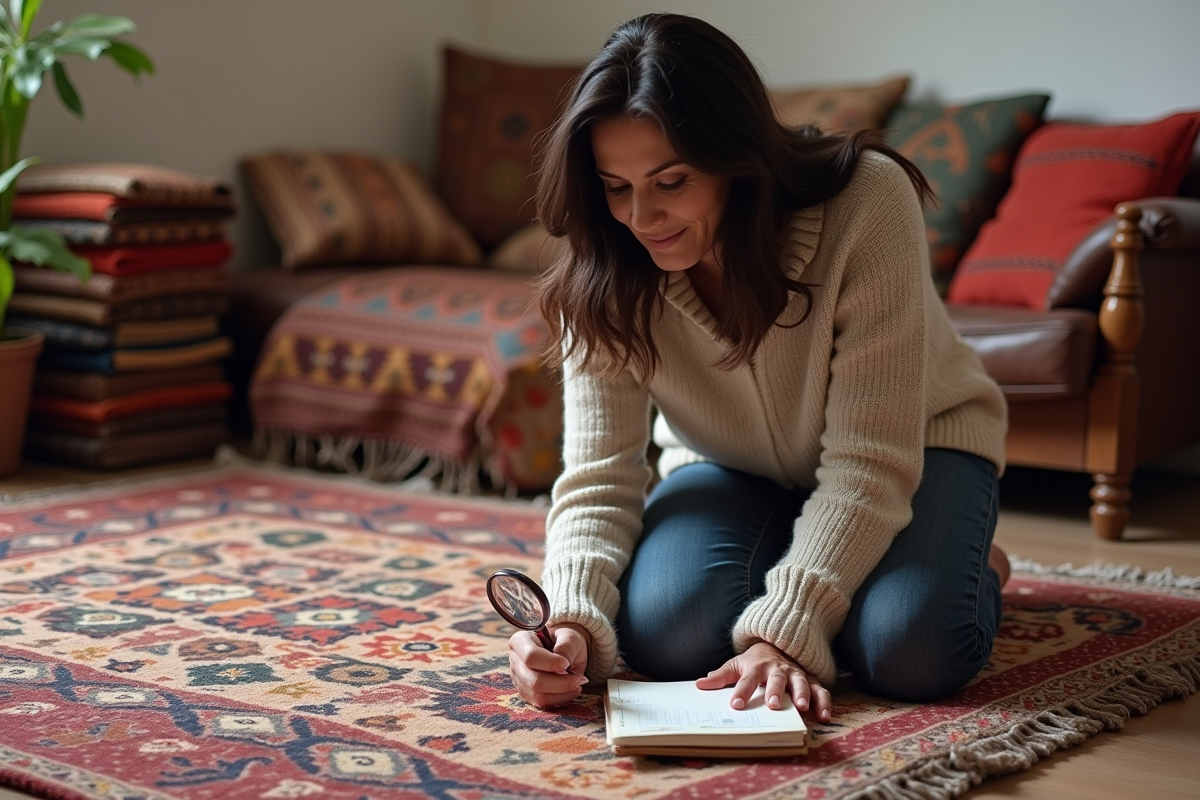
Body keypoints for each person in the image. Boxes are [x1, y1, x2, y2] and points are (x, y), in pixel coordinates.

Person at [505, 12, 1009, 722]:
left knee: (911, 648)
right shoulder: (603, 263)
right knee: (666, 636)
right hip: (729, 464)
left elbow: (871, 459)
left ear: (736, 159)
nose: (641, 217)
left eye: (671, 181)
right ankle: (831, 565)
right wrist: (572, 625)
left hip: (919, 448)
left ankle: (977, 566)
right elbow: (600, 476)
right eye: (616, 186)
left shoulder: (868, 200)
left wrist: (786, 630)